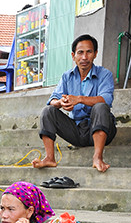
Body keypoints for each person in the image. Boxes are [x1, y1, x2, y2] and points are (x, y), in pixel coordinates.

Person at [33, 35, 116, 173]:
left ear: (95, 54)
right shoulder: (67, 76)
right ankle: (49, 158)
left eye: (89, 52)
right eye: (80, 52)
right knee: (48, 111)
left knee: (100, 106)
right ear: (73, 55)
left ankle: (97, 157)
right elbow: (53, 99)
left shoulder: (104, 74)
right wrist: (60, 102)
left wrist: (79, 99)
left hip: (102, 128)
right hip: (77, 131)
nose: (84, 57)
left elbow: (106, 99)